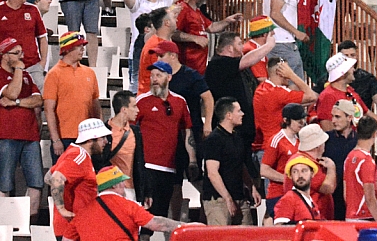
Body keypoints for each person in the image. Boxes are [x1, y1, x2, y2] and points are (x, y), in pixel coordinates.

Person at [0, 37, 44, 215]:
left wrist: (18, 102)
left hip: (30, 135)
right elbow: (10, 92)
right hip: (7, 135)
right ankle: (2, 225)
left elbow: (38, 100)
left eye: (22, 52)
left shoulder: (27, 76)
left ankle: (30, 223)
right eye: (16, 53)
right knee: (4, 181)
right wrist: (19, 68)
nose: (22, 56)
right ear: (4, 55)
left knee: (36, 181)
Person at [136, 59, 197, 220]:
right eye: (152, 75)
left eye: (158, 75)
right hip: (147, 166)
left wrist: (192, 160)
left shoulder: (180, 102)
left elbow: (187, 132)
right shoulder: (141, 101)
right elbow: (129, 131)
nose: (154, 79)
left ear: (169, 77)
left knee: (162, 214)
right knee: (145, 217)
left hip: (169, 167)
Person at [74, 165, 188, 241]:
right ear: (115, 185)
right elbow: (157, 223)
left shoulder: (82, 212)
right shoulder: (128, 206)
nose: (124, 185)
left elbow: (67, 239)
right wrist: (186, 226)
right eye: (122, 182)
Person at [45, 118, 113, 241]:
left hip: (75, 227)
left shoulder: (73, 153)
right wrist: (62, 209)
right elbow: (55, 179)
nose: (106, 142)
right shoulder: (78, 156)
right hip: (73, 229)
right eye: (102, 138)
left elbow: (48, 177)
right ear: (91, 140)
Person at [201, 97, 262, 225]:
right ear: (229, 115)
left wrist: (251, 188)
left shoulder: (237, 137)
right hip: (219, 200)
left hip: (239, 196)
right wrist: (227, 198)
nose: (243, 114)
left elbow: (241, 165)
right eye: (239, 111)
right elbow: (212, 172)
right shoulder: (214, 139)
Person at [44, 32, 101, 160]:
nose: (83, 49)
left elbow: (95, 105)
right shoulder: (54, 74)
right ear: (67, 49)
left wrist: (98, 134)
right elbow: (49, 109)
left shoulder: (90, 73)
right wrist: (55, 140)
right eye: (79, 46)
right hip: (65, 137)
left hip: (87, 136)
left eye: (83, 46)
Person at [343, 115, 377, 222]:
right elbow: (370, 197)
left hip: (351, 216)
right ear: (375, 133)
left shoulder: (349, 157)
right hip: (365, 217)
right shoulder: (367, 161)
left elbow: (345, 192)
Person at [273, 155, 323, 224]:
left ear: (312, 174)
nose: (300, 175)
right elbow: (280, 227)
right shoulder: (289, 199)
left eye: (304, 171)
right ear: (291, 176)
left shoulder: (312, 203)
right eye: (295, 172)